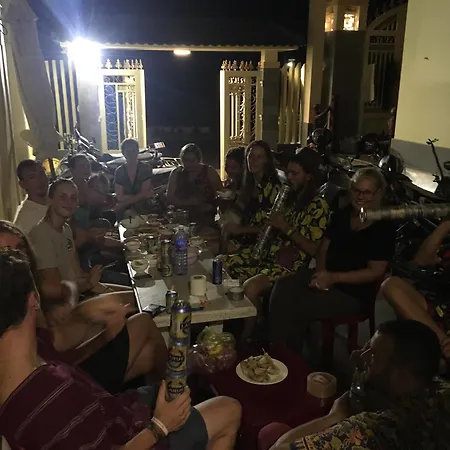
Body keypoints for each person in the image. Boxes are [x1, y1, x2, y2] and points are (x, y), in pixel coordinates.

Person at [0, 249, 242, 450]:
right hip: (133, 436)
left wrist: (89, 317)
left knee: (153, 359)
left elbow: (65, 345)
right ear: (33, 300)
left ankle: (187, 368)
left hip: (113, 413)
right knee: (229, 408)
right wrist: (159, 426)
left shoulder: (32, 352)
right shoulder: (50, 396)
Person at [0, 220, 167, 394]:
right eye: (6, 252)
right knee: (142, 321)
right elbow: (63, 364)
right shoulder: (13, 311)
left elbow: (67, 290)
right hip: (69, 385)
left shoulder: (31, 288)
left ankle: (165, 389)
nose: (17, 257)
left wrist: (77, 308)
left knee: (150, 352)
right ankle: (168, 393)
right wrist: (105, 336)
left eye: (20, 249)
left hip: (66, 362)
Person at [267, 320, 450, 450]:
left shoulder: (372, 429)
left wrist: (335, 416)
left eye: (373, 356)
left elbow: (279, 448)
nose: (361, 356)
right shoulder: (441, 389)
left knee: (272, 432)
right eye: (367, 347)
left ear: (401, 375)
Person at [269, 167, 396, 348]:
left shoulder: (384, 227)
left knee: (300, 305)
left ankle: (289, 356)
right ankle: (276, 348)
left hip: (353, 292)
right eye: (356, 190)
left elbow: (375, 271)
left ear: (378, 194)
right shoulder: (343, 214)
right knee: (283, 285)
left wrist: (333, 278)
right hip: (327, 275)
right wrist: (321, 274)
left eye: (366, 192)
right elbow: (323, 249)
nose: (360, 196)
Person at [225, 149, 329, 340]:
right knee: (222, 264)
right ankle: (233, 321)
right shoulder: (289, 197)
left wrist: (285, 227)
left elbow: (314, 249)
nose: (289, 177)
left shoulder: (318, 206)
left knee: (250, 287)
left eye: (294, 174)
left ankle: (249, 337)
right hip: (269, 254)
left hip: (290, 266)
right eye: (287, 172)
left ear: (308, 177)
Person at [29, 178, 131, 297]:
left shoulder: (66, 228)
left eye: (73, 198)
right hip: (65, 303)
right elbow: (55, 291)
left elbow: (78, 275)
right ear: (49, 200)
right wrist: (89, 284)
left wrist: (101, 287)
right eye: (63, 197)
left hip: (80, 290)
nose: (69, 202)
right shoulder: (41, 234)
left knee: (135, 296)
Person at [381, 218, 450, 360]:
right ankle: (444, 344)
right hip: (444, 311)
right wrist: (446, 224)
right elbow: (421, 260)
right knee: (392, 285)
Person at [222, 140, 281, 248]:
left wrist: (239, 229)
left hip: (260, 244)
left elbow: (273, 227)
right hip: (243, 238)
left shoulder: (272, 187)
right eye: (251, 156)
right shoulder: (249, 182)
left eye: (259, 157)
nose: (253, 161)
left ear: (266, 160)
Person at [166, 143, 223, 228]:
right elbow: (170, 197)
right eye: (185, 160)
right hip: (180, 216)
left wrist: (211, 206)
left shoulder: (209, 172)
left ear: (198, 159)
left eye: (192, 160)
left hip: (205, 217)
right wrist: (190, 202)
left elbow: (221, 195)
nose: (188, 164)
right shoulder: (176, 173)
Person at [114, 138, 154, 218]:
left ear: (137, 151)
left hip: (143, 206)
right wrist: (140, 196)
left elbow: (145, 193)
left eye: (133, 150)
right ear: (123, 153)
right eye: (128, 151)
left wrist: (126, 202)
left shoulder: (145, 168)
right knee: (128, 214)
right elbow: (120, 197)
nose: (131, 154)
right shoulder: (119, 171)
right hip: (125, 208)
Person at [14, 159, 49, 234]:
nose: (40, 179)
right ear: (22, 184)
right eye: (32, 177)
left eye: (42, 173)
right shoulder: (24, 220)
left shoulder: (57, 200)